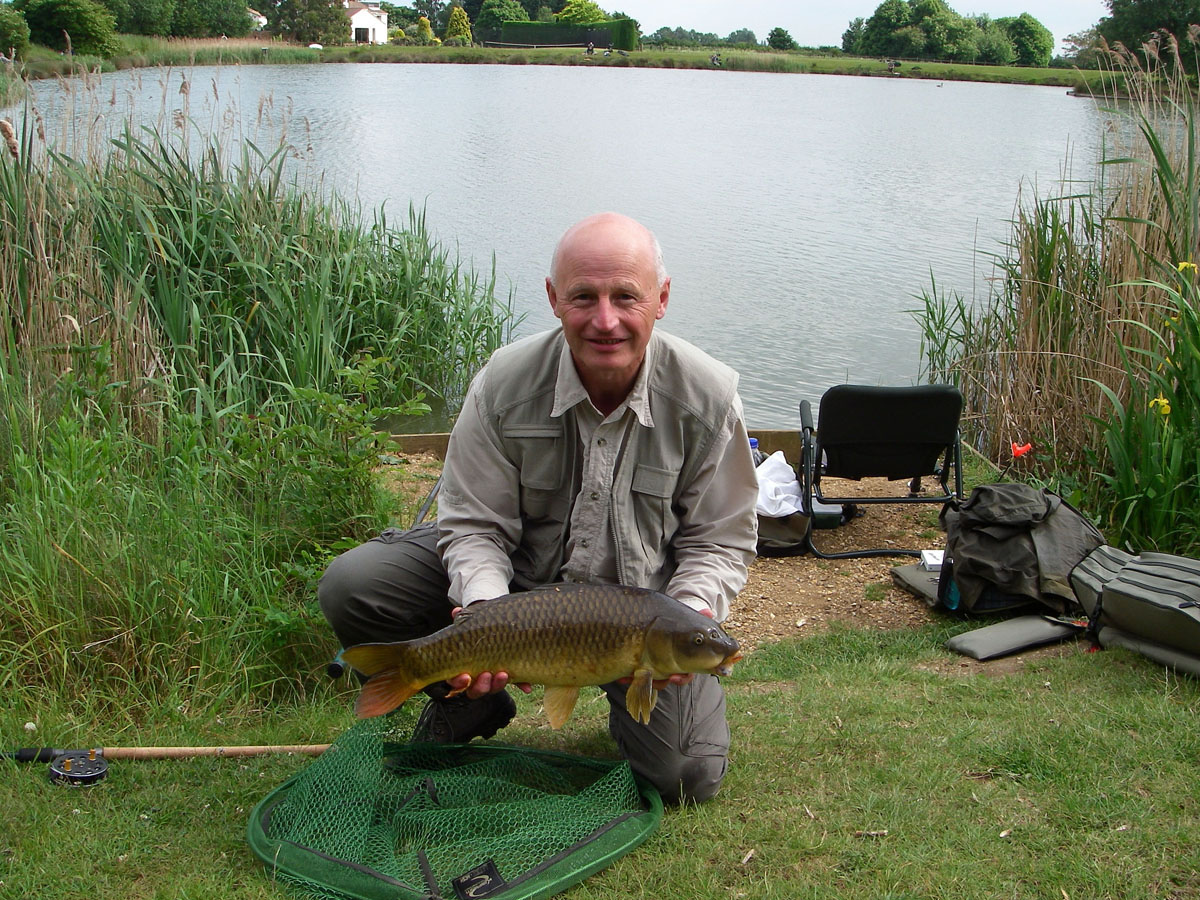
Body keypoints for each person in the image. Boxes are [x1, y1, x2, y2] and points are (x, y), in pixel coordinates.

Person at [319, 212, 759, 803]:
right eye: (584, 297)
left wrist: (691, 610)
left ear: (661, 298)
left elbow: (719, 540)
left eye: (626, 296)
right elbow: (474, 525)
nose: (606, 320)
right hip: (516, 592)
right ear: (554, 299)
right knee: (355, 583)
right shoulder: (504, 384)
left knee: (685, 779)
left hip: (637, 605)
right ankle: (470, 702)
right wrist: (483, 615)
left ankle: (635, 712)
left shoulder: (707, 398)